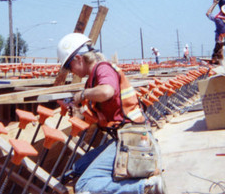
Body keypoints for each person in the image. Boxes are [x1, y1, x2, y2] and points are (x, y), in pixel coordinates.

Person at [57, 33, 167, 194]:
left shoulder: (103, 69)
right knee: (78, 169)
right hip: (130, 135)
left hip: (133, 137)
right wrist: (78, 110)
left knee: (84, 186)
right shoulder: (93, 79)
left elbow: (108, 91)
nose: (71, 72)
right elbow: (101, 115)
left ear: (78, 59)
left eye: (69, 67)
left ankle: (146, 187)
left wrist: (82, 94)